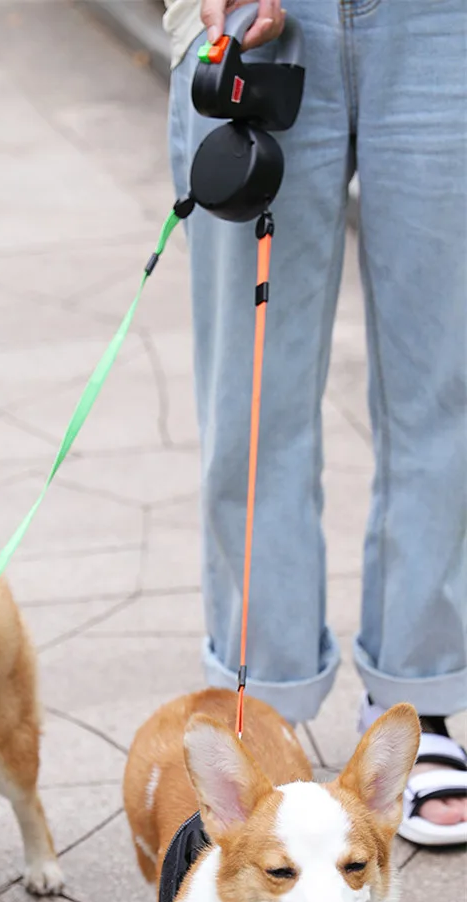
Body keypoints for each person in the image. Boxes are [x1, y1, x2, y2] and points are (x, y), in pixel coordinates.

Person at [164, 0, 467, 845]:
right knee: (251, 399)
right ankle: (261, 710)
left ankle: (418, 702)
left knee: (445, 387)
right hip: (262, 19)